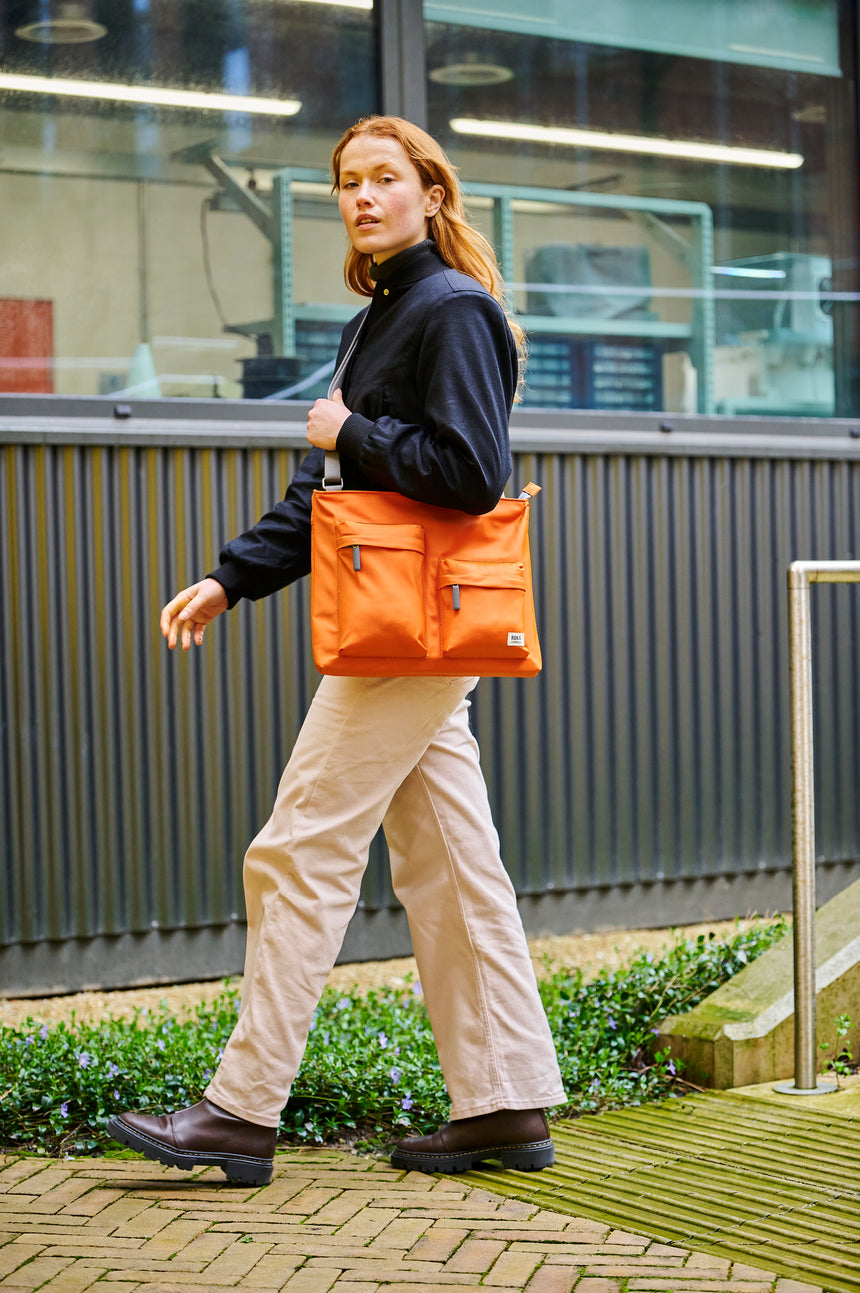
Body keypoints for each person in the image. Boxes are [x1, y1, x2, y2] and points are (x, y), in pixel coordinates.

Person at [107, 115, 566, 1186]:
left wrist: (342, 431)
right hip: (404, 622)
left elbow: (467, 472)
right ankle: (503, 1104)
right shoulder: (387, 314)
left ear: (430, 195)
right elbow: (331, 500)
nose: (361, 198)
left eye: (383, 180)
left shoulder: (450, 310)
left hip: (410, 631)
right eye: (347, 183)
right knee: (452, 869)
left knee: (298, 848)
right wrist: (231, 577)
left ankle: (240, 1108)